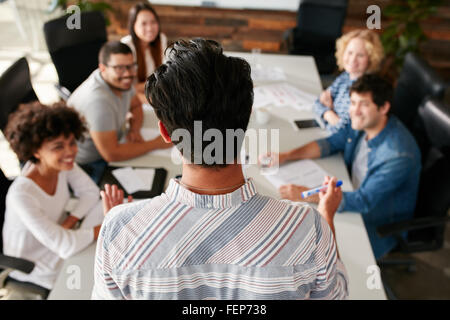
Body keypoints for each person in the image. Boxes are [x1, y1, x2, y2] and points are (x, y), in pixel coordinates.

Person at [92, 38, 348, 300]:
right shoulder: (307, 227)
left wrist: (125, 227)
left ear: (165, 132)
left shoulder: (118, 229)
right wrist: (326, 218)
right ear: (247, 118)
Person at [265, 74, 421, 260]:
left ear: (384, 108)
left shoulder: (397, 155)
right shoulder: (362, 123)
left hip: (373, 224)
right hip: (348, 192)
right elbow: (331, 143)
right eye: (352, 102)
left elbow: (363, 201)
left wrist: (306, 194)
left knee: (302, 249)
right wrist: (285, 156)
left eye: (363, 104)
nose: (354, 111)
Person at [2, 102, 105, 291]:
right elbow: (65, 246)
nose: (70, 152)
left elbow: (90, 192)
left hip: (60, 236)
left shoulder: (59, 164)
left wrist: (69, 222)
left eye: (72, 142)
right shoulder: (22, 195)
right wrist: (104, 227)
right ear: (35, 151)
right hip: (37, 263)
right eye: (58, 147)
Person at [67, 41, 171, 183]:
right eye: (119, 68)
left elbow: (135, 105)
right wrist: (157, 143)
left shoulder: (119, 81)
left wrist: (134, 130)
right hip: (91, 164)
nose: (128, 74)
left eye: (131, 66)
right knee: (156, 181)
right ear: (103, 68)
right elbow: (112, 154)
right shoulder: (98, 102)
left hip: (115, 140)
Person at [314, 29, 384, 133]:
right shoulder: (346, 76)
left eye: (360, 55)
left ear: (371, 59)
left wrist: (328, 112)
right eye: (350, 52)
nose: (353, 59)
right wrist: (330, 114)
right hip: (325, 129)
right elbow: (318, 102)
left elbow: (346, 131)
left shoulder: (364, 89)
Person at [121, 2, 167, 104]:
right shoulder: (126, 45)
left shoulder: (161, 39)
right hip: (134, 99)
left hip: (153, 94)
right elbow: (125, 89)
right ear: (133, 25)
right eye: (144, 23)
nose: (150, 28)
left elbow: (164, 77)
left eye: (153, 22)